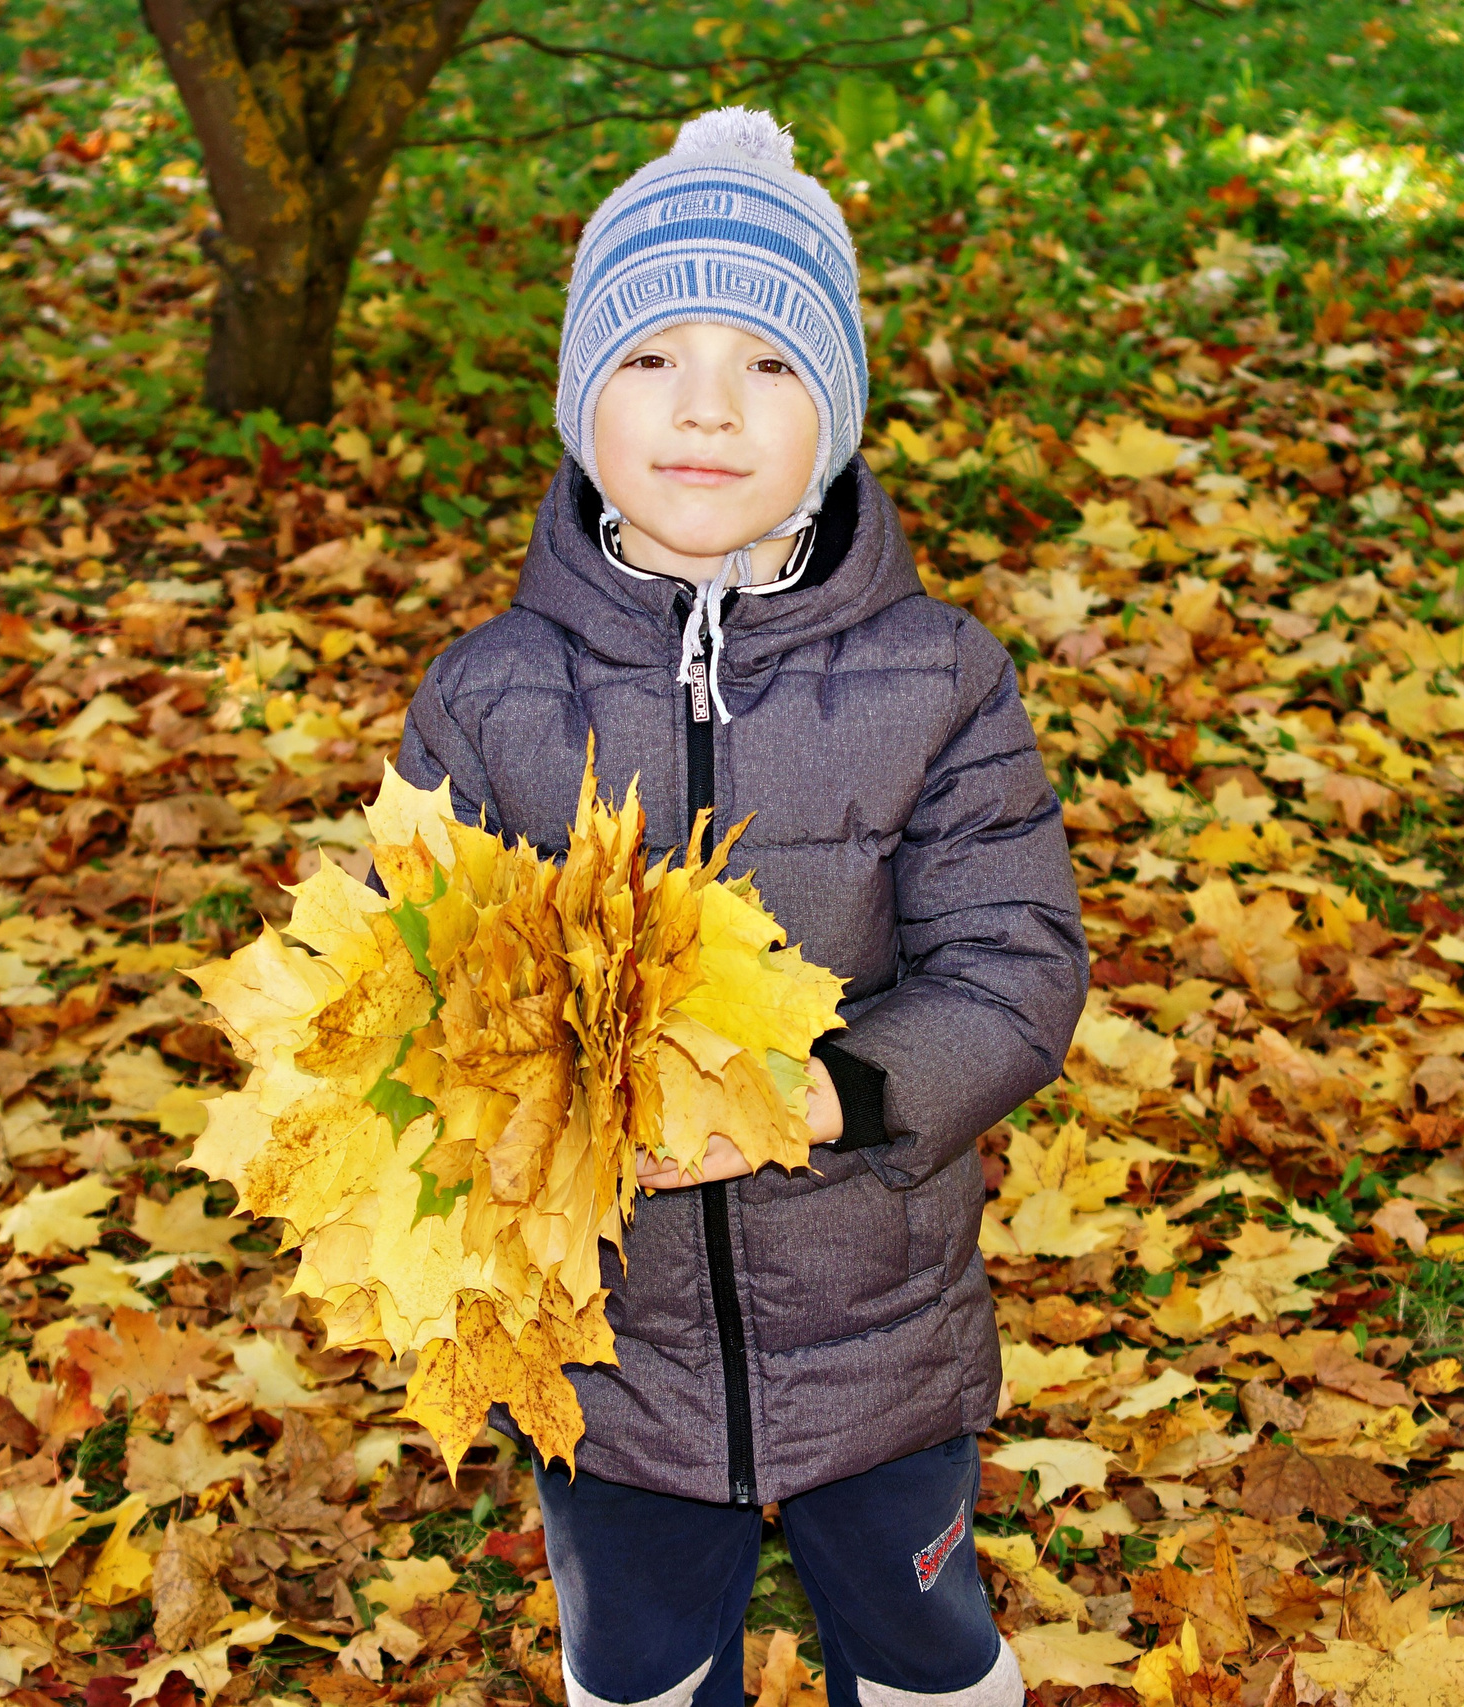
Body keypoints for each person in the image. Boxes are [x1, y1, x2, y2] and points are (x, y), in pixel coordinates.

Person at [392, 106, 1086, 1707]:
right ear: (579, 399)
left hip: (877, 1323)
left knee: (918, 1642)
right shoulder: (493, 697)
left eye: (768, 365)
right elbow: (413, 982)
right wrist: (519, 1098)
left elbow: (1014, 965)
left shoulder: (939, 681)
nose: (706, 409)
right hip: (604, 1345)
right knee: (636, 1660)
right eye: (650, 358)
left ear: (835, 411)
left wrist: (821, 1092)